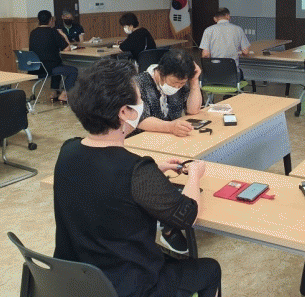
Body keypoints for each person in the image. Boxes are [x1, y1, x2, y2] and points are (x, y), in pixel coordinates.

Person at [54, 59, 221, 297]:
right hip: (126, 286)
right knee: (209, 269)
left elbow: (102, 182)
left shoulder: (68, 150)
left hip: (76, 280)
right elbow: (186, 216)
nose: (142, 105)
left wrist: (154, 171)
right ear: (124, 112)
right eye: (139, 99)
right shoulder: (136, 170)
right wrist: (194, 175)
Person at [136, 49, 202, 137]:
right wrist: (170, 127)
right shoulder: (138, 84)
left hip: (171, 137)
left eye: (182, 83)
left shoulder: (182, 80)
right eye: (174, 83)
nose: (177, 87)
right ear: (161, 72)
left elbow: (193, 110)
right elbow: (139, 120)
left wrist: (194, 81)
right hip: (143, 138)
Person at [29, 10, 78, 102]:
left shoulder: (33, 33)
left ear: (38, 20)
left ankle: (54, 93)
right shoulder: (53, 32)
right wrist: (63, 35)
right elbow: (67, 48)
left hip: (35, 68)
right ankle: (64, 95)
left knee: (57, 66)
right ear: (51, 20)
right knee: (73, 70)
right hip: (49, 68)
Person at [199, 7, 250, 73]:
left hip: (214, 71)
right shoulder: (238, 29)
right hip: (232, 72)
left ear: (215, 19)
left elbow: (205, 55)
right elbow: (246, 52)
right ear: (228, 16)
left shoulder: (208, 30)